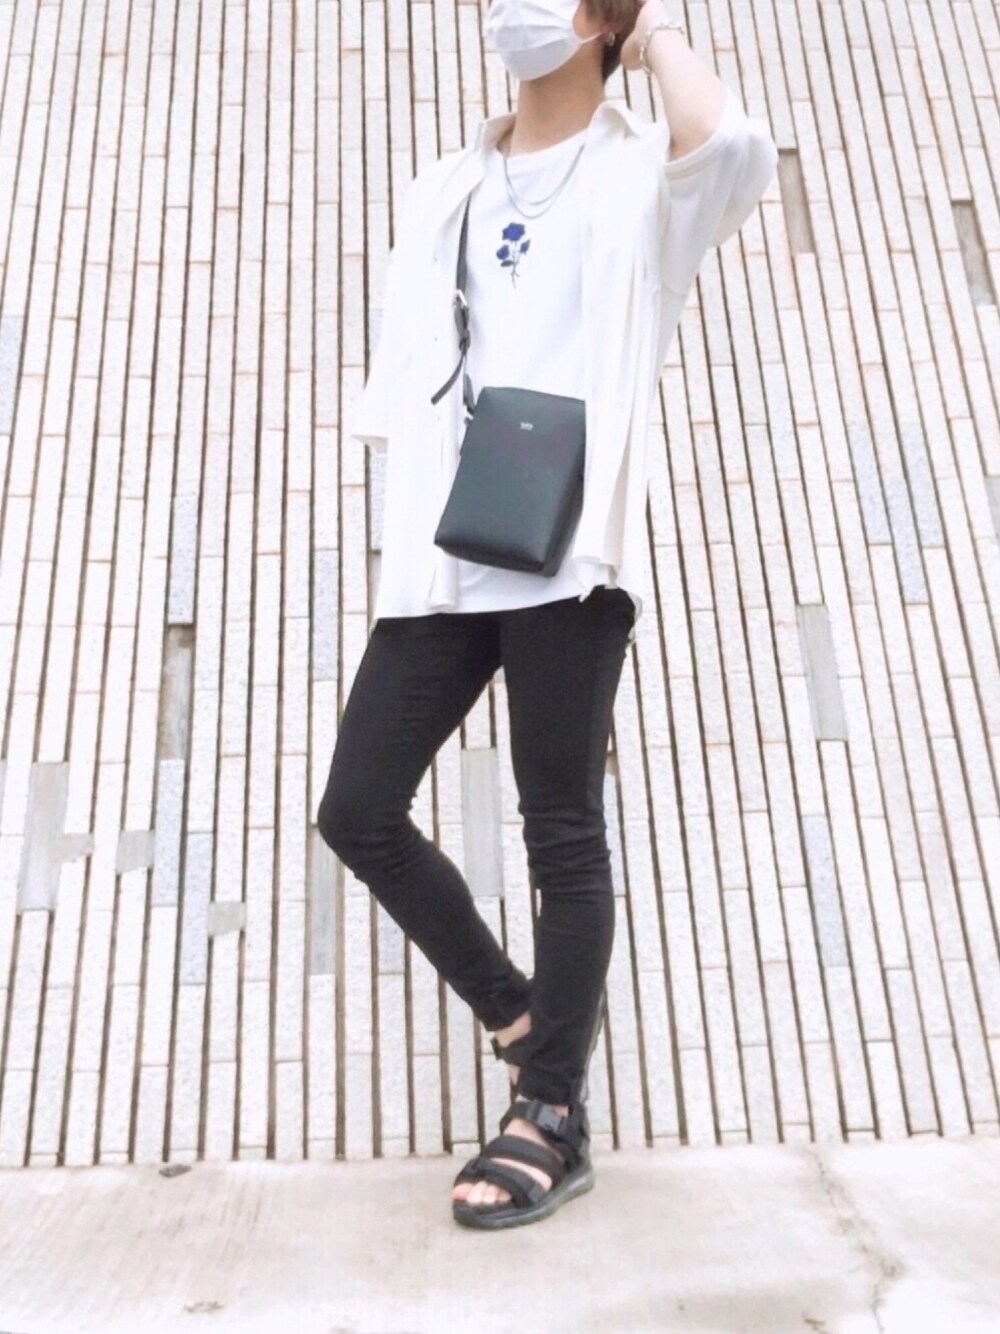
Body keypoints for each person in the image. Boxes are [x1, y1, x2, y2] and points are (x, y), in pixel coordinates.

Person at [318, 0, 778, 1230]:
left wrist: (654, 27)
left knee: (560, 826)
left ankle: (551, 1111)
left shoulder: (643, 177)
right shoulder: (447, 186)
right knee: (357, 805)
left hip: (570, 552)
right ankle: (523, 1013)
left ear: (595, 18)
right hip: (454, 544)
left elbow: (734, 147)